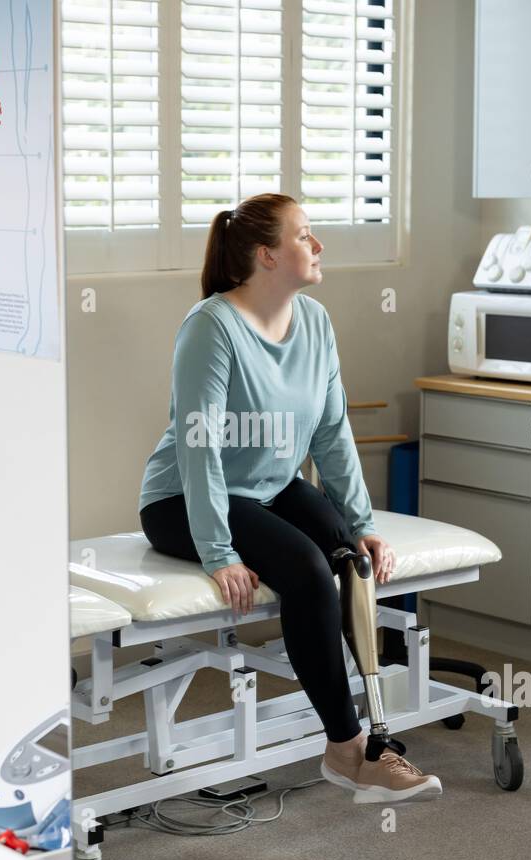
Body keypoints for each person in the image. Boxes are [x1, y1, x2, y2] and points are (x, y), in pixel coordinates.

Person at [138, 193, 441, 803]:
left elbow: (332, 431)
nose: (318, 244)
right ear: (266, 255)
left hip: (271, 489)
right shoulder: (211, 327)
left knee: (348, 556)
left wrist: (359, 521)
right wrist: (219, 552)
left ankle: (373, 731)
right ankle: (347, 749)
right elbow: (199, 450)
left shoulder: (316, 322)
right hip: (184, 500)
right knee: (306, 571)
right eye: (305, 235)